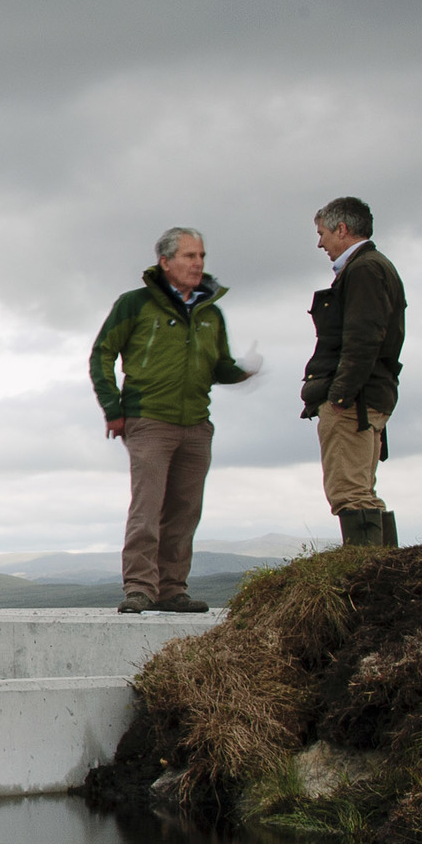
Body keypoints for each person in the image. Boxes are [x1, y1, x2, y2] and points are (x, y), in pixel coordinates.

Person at [91, 228, 253, 615]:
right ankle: (140, 589)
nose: (198, 264)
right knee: (147, 509)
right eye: (189, 256)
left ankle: (172, 589)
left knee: (184, 511)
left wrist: (241, 373)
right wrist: (113, 409)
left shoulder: (211, 312)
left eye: (201, 256)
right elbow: (102, 354)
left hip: (197, 424)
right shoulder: (134, 304)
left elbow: (219, 366)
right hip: (148, 419)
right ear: (165, 262)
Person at [302, 196, 405, 546]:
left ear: (342, 229)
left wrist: (340, 395)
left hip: (355, 402)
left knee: (349, 493)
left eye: (323, 233)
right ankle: (384, 574)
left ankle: (366, 582)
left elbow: (363, 338)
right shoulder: (374, 267)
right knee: (362, 491)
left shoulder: (364, 269)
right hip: (371, 395)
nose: (320, 243)